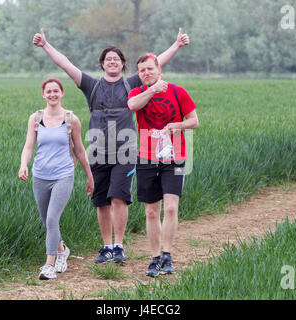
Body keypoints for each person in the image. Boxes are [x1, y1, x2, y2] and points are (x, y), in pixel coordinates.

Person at [32, 28, 190, 264]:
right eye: (108, 59)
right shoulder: (91, 86)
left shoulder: (132, 83)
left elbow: (154, 63)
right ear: (102, 65)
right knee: (102, 200)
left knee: (119, 197)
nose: (112, 62)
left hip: (125, 151)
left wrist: (176, 45)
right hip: (97, 150)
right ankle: (106, 247)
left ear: (123, 64)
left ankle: (118, 246)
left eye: (116, 59)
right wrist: (45, 45)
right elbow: (66, 64)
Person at [127, 53, 199, 277]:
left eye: (150, 69)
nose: (146, 73)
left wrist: (178, 125)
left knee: (170, 207)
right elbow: (131, 106)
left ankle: (167, 256)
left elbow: (194, 121)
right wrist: (152, 90)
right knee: (151, 212)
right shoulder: (138, 92)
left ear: (159, 70)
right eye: (142, 71)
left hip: (175, 157)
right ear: (139, 75)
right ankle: (154, 257)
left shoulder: (178, 92)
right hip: (147, 157)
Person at [18, 78, 94, 280]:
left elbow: (79, 150)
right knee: (46, 221)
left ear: (62, 93)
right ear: (43, 94)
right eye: (48, 91)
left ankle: (49, 264)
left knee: (52, 218)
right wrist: (23, 164)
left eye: (56, 91)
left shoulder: (71, 119)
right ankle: (62, 249)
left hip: (63, 175)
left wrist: (89, 176)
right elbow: (28, 146)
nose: (52, 94)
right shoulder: (35, 118)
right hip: (40, 175)